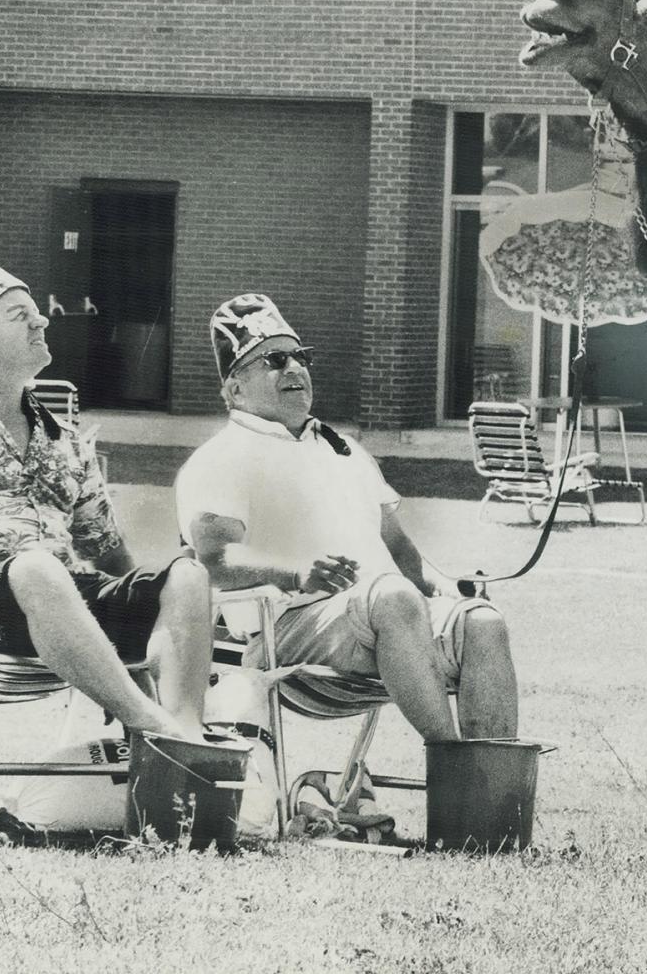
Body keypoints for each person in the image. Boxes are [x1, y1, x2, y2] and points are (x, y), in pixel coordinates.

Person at [0, 249, 213, 740]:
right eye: (19, 315)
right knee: (36, 566)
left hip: (64, 607)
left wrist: (145, 599)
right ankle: (156, 730)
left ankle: (185, 741)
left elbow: (107, 550)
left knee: (188, 576)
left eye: (35, 310)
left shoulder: (62, 436)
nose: (42, 319)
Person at [175, 294, 519, 743]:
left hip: (388, 618)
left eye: (301, 356)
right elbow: (212, 563)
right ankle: (454, 760)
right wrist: (296, 573)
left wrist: (449, 588)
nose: (295, 368)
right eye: (275, 360)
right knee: (394, 596)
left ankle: (486, 807)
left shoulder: (343, 449)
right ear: (235, 389)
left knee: (482, 622)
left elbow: (397, 549)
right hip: (288, 630)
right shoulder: (220, 458)